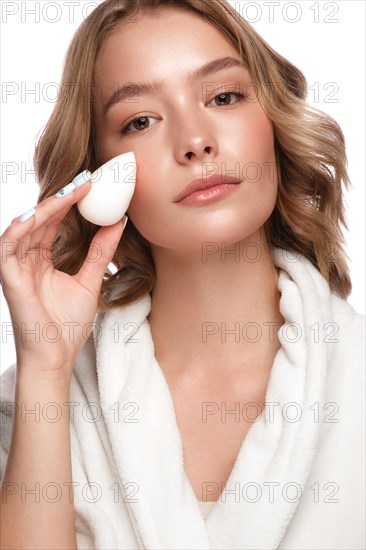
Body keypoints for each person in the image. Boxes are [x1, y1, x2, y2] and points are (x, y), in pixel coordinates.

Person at [0, 0, 364, 548]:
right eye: (140, 120)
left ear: (272, 120)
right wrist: (46, 374)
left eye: (224, 96)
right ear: (99, 174)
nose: (195, 140)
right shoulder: (33, 401)